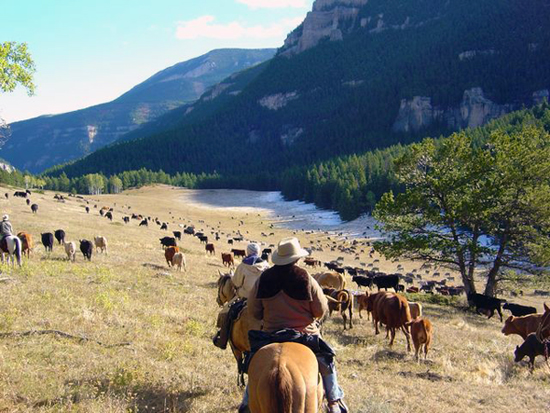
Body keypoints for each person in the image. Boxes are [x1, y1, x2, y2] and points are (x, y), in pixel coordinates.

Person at [240, 237, 347, 413]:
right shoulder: (306, 278)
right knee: (326, 360)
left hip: (270, 335)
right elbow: (320, 310)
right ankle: (334, 400)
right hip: (304, 335)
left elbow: (254, 311)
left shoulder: (264, 278)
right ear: (297, 258)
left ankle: (247, 402)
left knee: (255, 361)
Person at [213, 243, 269, 349]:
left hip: (246, 297)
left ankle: (222, 339)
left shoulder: (243, 265)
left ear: (248, 252)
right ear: (258, 252)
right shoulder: (266, 265)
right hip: (262, 300)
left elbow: (236, 282)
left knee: (226, 312)